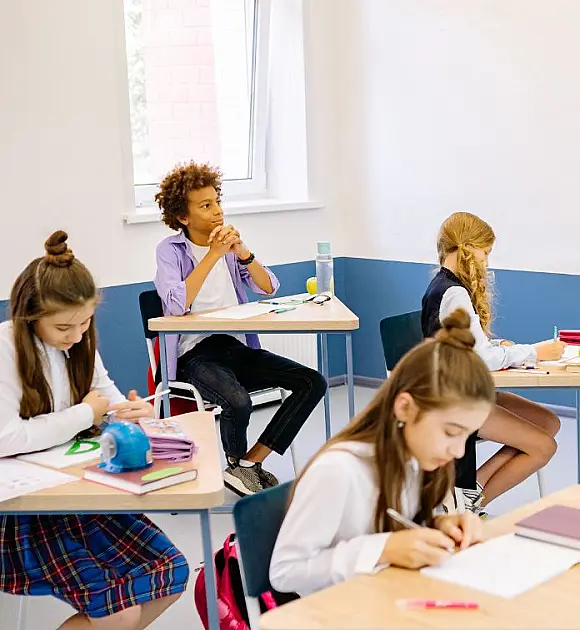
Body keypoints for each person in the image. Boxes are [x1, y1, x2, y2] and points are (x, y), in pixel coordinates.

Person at [0, 231, 188, 630]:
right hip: (25, 510)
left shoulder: (80, 342)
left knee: (170, 572)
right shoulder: (6, 349)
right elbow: (6, 437)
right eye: (64, 327)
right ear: (29, 316)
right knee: (118, 608)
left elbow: (108, 399)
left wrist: (132, 413)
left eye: (85, 322)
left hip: (80, 494)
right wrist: (87, 415)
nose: (77, 335)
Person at [270, 308, 488, 596]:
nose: (459, 452)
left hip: (386, 600)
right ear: (405, 408)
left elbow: (397, 523)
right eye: (450, 432)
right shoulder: (338, 471)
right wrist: (384, 549)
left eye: (467, 436)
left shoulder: (417, 456)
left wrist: (440, 525)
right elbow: (286, 572)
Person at [153, 161, 327, 496]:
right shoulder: (170, 252)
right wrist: (213, 255)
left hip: (235, 347)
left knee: (312, 382)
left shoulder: (231, 249)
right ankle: (238, 467)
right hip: (195, 355)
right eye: (206, 205)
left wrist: (242, 253)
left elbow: (269, 287)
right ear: (183, 217)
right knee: (238, 400)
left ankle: (247, 464)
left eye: (217, 201)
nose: (217, 211)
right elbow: (176, 304)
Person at [420, 212, 563, 515]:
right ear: (469, 248)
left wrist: (500, 346)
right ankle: (464, 510)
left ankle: (470, 491)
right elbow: (481, 359)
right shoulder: (454, 293)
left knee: (549, 423)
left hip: (464, 389)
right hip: (457, 401)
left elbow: (471, 347)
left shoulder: (444, 286)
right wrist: (535, 352)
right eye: (486, 253)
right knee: (543, 446)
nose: (486, 261)